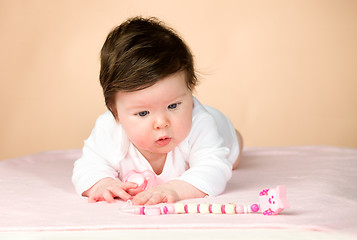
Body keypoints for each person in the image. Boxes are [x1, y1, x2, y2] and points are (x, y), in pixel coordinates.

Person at [72, 17, 243, 205]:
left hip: (220, 129)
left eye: (173, 106)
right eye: (143, 113)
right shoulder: (109, 129)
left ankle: (236, 137)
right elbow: (88, 166)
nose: (162, 122)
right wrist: (102, 183)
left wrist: (173, 189)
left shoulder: (200, 124)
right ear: (115, 111)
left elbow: (213, 169)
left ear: (190, 88)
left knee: (230, 157)